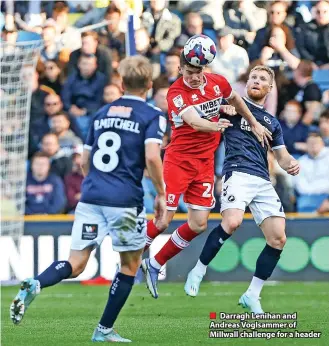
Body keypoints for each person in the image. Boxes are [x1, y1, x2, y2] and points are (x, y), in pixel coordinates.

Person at [10, 55, 167, 343]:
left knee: (76, 262)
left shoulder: (101, 114)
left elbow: (85, 161)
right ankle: (103, 330)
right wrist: (161, 193)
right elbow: (152, 157)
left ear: (120, 82)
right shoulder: (152, 115)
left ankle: (36, 283)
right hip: (124, 200)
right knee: (129, 265)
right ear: (148, 83)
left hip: (92, 196)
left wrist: (96, 184)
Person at [141, 52, 272, 299]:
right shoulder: (175, 93)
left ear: (205, 69)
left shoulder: (216, 82)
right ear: (180, 69)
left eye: (198, 72)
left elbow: (235, 99)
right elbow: (193, 121)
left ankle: (155, 263)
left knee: (198, 224)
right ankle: (128, 260)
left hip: (204, 164)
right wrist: (216, 124)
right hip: (178, 162)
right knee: (162, 221)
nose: (193, 77)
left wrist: (253, 122)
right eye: (189, 72)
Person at [184, 65, 300, 314]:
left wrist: (291, 164)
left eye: (262, 79)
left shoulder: (272, 122)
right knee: (233, 222)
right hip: (237, 172)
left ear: (269, 88)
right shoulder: (234, 108)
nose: (256, 81)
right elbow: (198, 115)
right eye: (253, 78)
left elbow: (281, 156)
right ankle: (199, 270)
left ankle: (252, 294)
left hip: (262, 179)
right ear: (246, 84)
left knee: (278, 238)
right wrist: (219, 109)